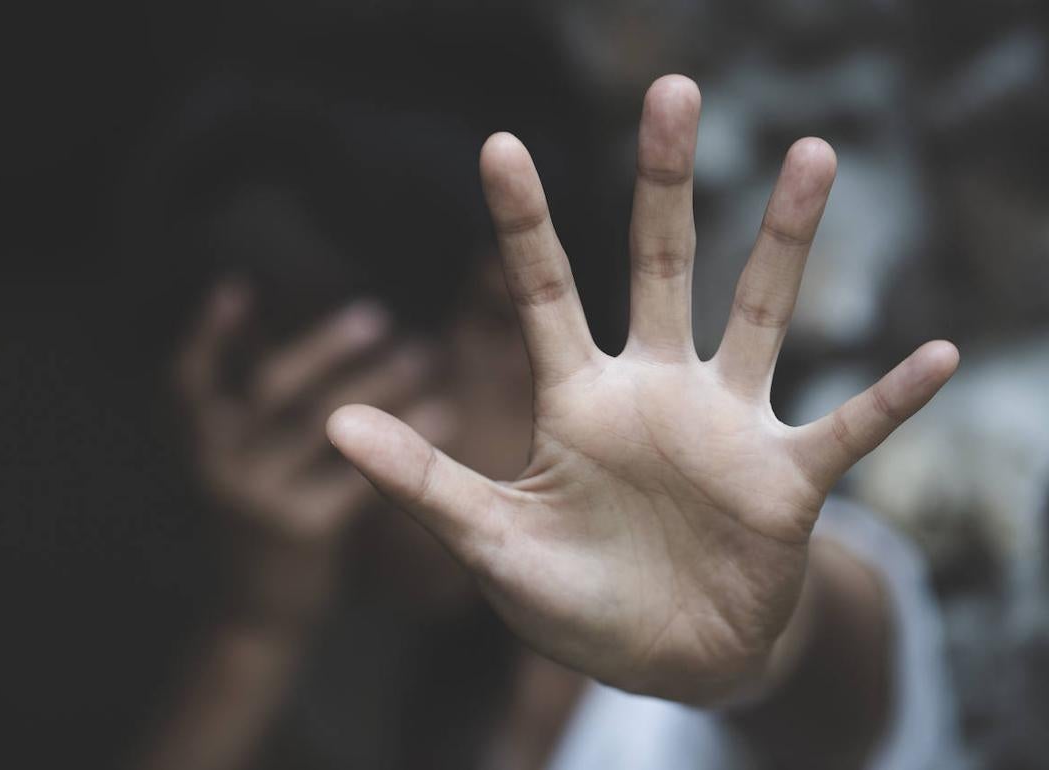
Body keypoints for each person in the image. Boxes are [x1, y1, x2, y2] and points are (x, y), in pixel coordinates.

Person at [140, 76, 962, 770]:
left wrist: (758, 655)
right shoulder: (349, 684)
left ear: (498, 324)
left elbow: (813, 663)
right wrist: (255, 633)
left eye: (321, 450)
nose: (309, 520)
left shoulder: (719, 546)